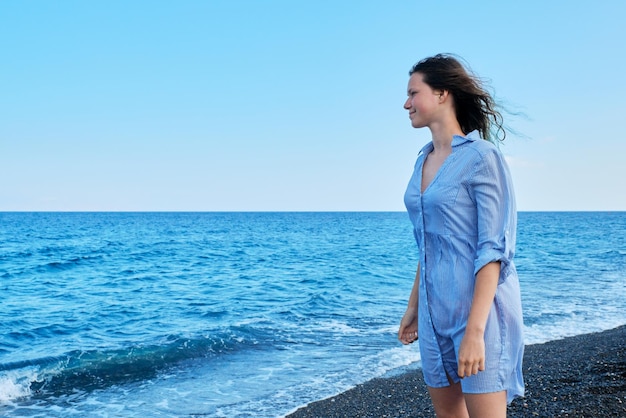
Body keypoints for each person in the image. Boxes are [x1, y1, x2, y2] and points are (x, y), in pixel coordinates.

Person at [397, 54, 524, 418]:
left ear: (441, 94)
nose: (406, 104)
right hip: (432, 311)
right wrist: (413, 308)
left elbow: (493, 251)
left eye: (413, 93)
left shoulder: (482, 157)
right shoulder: (422, 159)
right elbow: (430, 244)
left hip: (478, 314)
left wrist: (474, 331)